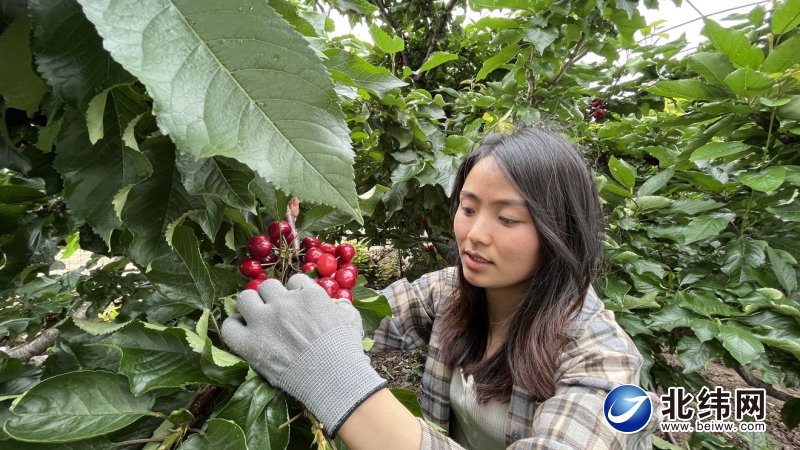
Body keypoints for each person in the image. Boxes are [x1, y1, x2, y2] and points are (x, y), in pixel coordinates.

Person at [222, 126, 663, 450]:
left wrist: (337, 380)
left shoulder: (605, 363)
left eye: (507, 219)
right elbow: (354, 317)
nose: (474, 234)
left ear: (560, 233)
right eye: (468, 208)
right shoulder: (450, 293)